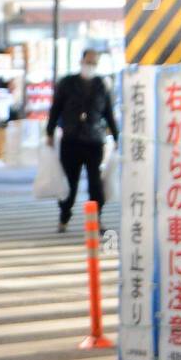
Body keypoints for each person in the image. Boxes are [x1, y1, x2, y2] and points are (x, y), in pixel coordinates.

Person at [46, 48, 119, 234]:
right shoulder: (67, 83)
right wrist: (49, 133)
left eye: (94, 63)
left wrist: (117, 137)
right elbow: (55, 109)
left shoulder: (102, 85)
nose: (90, 66)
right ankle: (64, 216)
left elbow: (109, 113)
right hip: (71, 140)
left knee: (95, 183)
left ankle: (96, 218)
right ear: (81, 61)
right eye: (88, 62)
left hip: (94, 141)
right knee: (70, 182)